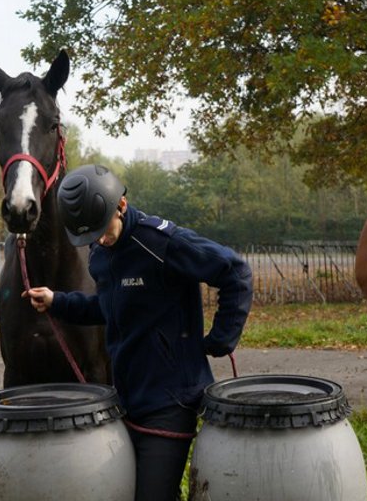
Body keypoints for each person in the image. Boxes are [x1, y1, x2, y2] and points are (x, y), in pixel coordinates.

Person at [24, 164, 253, 500]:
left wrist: (221, 338)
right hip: (125, 398)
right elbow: (109, 308)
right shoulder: (101, 255)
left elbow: (236, 272)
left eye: (103, 230)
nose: (99, 241)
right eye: (89, 237)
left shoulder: (161, 242)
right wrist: (57, 301)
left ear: (122, 206)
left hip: (171, 399)